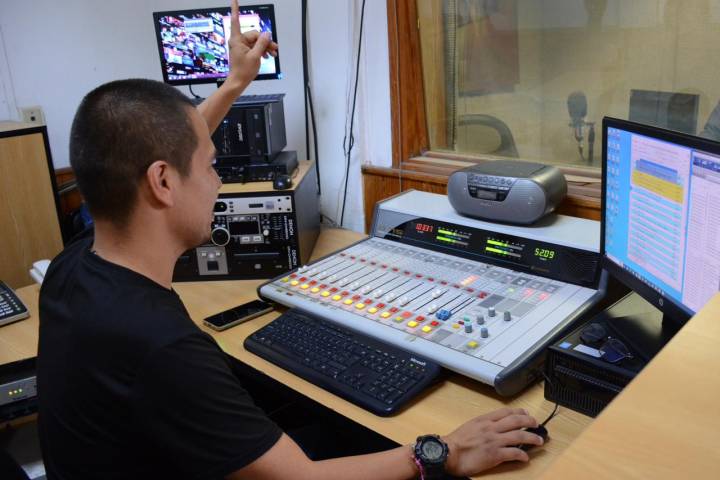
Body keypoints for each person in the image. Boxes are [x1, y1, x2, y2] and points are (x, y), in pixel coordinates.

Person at [37, 1, 543, 478]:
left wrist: (234, 83)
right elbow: (301, 476)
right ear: (163, 183)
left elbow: (170, 149)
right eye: (211, 167)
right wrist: (444, 451)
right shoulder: (162, 348)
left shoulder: (71, 268)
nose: (217, 182)